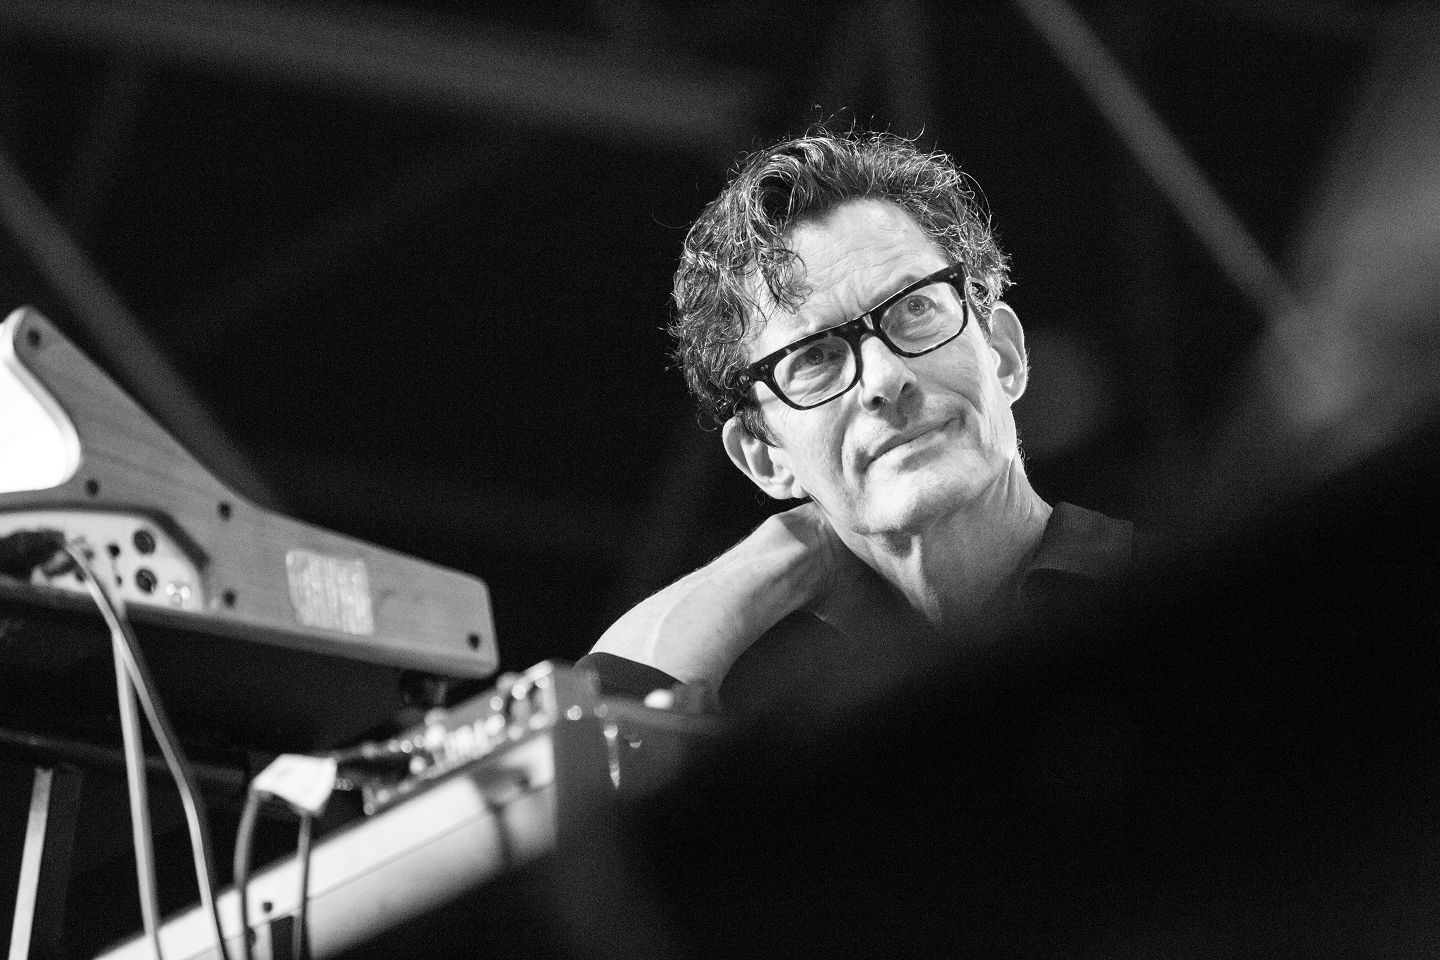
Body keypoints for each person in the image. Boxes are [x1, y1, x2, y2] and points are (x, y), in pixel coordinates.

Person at [583, 127, 1148, 711]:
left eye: (915, 308)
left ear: (1003, 354)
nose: (884, 379)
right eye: (815, 358)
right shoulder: (791, 717)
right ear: (765, 458)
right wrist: (765, 564)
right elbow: (588, 737)